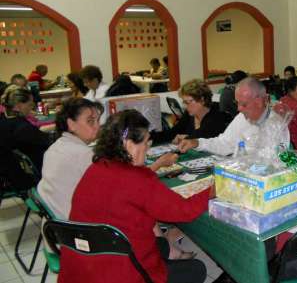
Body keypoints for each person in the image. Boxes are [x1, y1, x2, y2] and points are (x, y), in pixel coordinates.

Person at [59, 110, 210, 283]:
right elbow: (185, 211)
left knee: (159, 244)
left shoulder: (95, 168)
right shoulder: (139, 180)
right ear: (130, 145)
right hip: (122, 274)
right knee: (197, 268)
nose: (147, 148)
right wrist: (212, 191)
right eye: (146, 142)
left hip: (82, 269)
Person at [177, 77, 289, 155]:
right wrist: (197, 143)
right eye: (237, 103)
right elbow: (224, 143)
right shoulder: (243, 117)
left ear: (259, 102)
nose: (239, 109)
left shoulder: (276, 125)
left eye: (244, 104)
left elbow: (271, 163)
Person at [38, 98, 104, 219]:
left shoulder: (55, 147)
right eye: (90, 121)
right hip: (76, 229)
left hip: (56, 226)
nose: (97, 126)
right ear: (71, 124)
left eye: (98, 120)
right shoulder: (83, 155)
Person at [152, 80, 230, 145]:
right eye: (184, 102)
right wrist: (148, 137)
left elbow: (204, 135)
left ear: (202, 100)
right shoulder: (190, 113)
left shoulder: (218, 113)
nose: (186, 106)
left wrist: (186, 138)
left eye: (188, 102)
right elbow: (173, 132)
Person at [0, 85, 52, 173]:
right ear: (18, 106)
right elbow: (48, 141)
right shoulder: (22, 128)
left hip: (15, 171)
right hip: (39, 168)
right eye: (30, 104)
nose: (31, 107)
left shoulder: (5, 120)